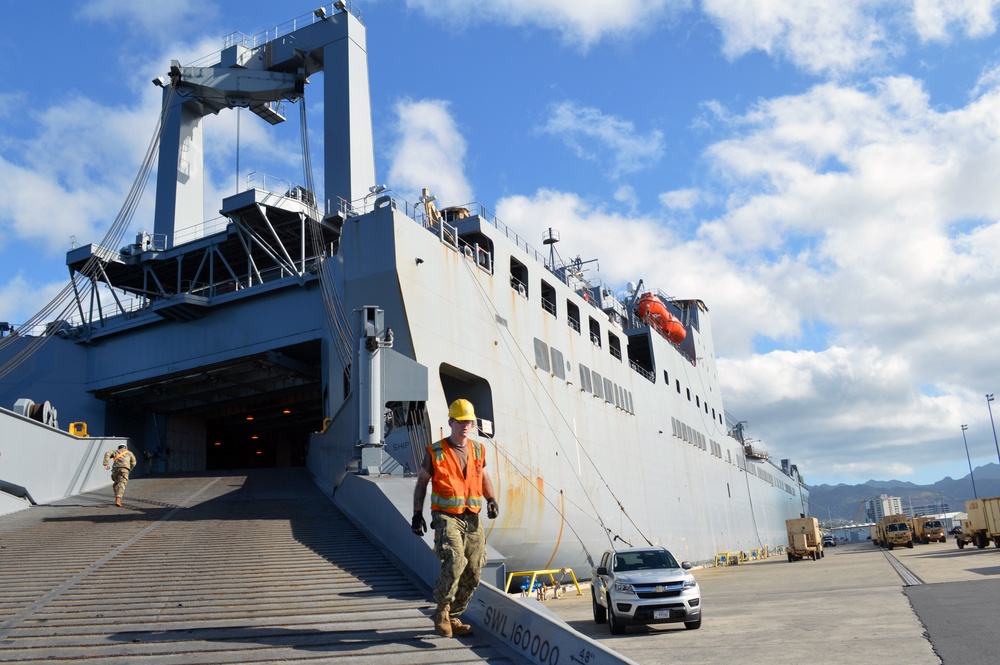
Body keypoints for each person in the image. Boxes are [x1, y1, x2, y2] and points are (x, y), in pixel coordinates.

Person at [412, 398, 499, 638]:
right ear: (450, 421)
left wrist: (491, 499)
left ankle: (453, 615)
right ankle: (441, 611)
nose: (465, 426)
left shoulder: (479, 450)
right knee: (455, 560)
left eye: (468, 422)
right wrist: (417, 514)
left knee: (473, 570)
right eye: (460, 421)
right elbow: (421, 484)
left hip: (472, 518)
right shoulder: (435, 451)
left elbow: (482, 478)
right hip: (445, 517)